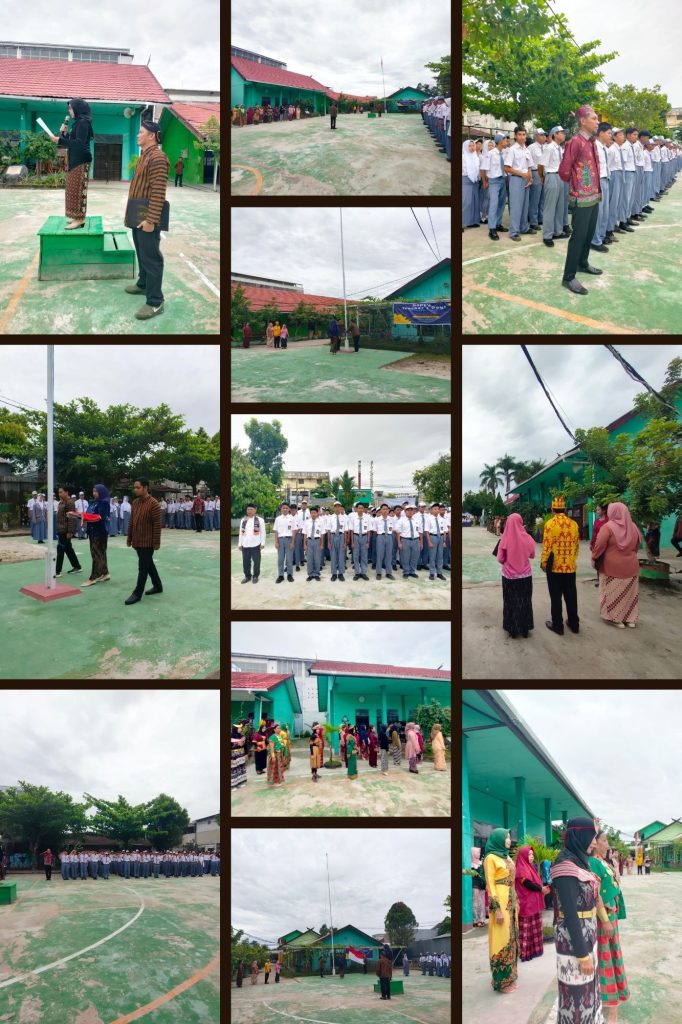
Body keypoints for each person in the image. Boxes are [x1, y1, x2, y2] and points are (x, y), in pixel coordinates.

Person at [550, 817, 602, 1021]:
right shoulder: (565, 865)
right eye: (592, 836)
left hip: (587, 935)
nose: (595, 842)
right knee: (576, 994)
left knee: (589, 989)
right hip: (574, 942)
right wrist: (582, 954)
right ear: (579, 835)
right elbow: (570, 913)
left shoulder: (580, 861)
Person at [124, 119, 169, 321]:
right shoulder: (145, 156)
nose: (137, 135)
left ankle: (155, 301)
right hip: (138, 215)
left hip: (147, 218)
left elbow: (159, 192)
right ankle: (143, 284)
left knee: (152, 258)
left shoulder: (158, 157)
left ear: (152, 136)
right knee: (142, 252)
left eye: (141, 132)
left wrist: (151, 220)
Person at [558, 106, 603, 294]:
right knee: (578, 236)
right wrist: (577, 186)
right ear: (583, 121)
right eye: (594, 118)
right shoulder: (575, 142)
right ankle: (568, 276)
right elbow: (564, 170)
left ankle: (583, 263)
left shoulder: (591, 141)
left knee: (589, 233)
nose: (597, 121)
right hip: (581, 197)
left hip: (594, 195)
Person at [589, 832, 630, 1022]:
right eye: (604, 840)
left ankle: (614, 994)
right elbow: (596, 894)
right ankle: (606, 998)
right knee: (605, 956)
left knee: (613, 954)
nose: (607, 844)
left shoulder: (603, 862)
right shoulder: (593, 862)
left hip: (611, 913)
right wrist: (605, 918)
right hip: (603, 916)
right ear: (595, 843)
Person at [590, 502, 641, 629]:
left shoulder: (608, 527)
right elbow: (636, 547)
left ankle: (615, 619)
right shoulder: (633, 527)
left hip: (611, 568)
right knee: (629, 594)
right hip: (631, 567)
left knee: (612, 593)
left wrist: (594, 558)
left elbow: (599, 546)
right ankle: (630, 619)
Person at [47, 99, 93, 229]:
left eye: (71, 108)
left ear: (78, 109)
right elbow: (70, 143)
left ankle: (80, 218)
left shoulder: (83, 123)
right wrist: (64, 134)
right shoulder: (77, 123)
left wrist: (60, 139)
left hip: (81, 160)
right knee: (72, 189)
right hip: (75, 159)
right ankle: (75, 216)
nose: (69, 111)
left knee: (78, 189)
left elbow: (79, 144)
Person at [483, 828, 519, 993]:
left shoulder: (507, 857)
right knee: (501, 939)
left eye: (510, 837)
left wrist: (516, 900)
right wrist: (496, 909)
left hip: (511, 903)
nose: (509, 840)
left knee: (511, 938)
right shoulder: (490, 858)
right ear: (497, 839)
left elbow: (512, 881)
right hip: (501, 903)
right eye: (506, 837)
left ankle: (510, 976)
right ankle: (500, 982)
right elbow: (490, 885)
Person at [541, 495, 580, 636]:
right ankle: (574, 624)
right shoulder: (574, 524)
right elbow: (576, 546)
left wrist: (544, 562)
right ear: (564, 508)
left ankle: (558, 625)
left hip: (554, 567)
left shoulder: (550, 524)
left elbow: (547, 546)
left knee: (556, 597)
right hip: (570, 566)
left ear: (552, 509)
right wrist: (571, 560)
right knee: (571, 596)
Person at [496, 512, 536, 639]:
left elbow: (500, 559)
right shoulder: (528, 538)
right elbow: (532, 555)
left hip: (509, 576)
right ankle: (525, 629)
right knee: (525, 601)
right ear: (521, 522)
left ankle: (512, 629)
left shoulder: (505, 539)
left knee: (510, 601)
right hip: (525, 575)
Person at [124, 476, 162, 605]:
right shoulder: (135, 503)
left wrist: (156, 543)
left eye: (138, 487)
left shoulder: (154, 504)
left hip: (148, 542)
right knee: (148, 564)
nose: (135, 490)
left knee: (143, 568)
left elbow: (157, 525)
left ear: (146, 488)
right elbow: (132, 522)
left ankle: (137, 593)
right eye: (134, 487)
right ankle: (158, 586)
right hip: (137, 541)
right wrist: (129, 538)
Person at [514, 846, 548, 962]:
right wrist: (541, 889)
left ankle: (535, 950)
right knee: (527, 929)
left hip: (533, 903)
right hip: (526, 903)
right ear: (523, 856)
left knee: (535, 927)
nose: (532, 856)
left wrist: (542, 889)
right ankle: (526, 953)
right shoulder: (521, 868)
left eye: (532, 854)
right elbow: (527, 884)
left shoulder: (530, 867)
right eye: (529, 854)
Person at [504, 127, 533, 241]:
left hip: (526, 179)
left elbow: (529, 166)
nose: (522, 137)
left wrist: (529, 177)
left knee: (525, 206)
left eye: (524, 134)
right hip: (516, 179)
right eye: (520, 134)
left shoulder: (526, 149)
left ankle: (524, 227)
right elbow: (506, 168)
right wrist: (522, 174)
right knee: (516, 206)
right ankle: (513, 232)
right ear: (515, 136)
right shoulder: (512, 150)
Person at [590, 123, 613, 254]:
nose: (611, 135)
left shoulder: (604, 147)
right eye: (609, 133)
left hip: (606, 179)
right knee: (599, 213)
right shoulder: (594, 147)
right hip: (598, 181)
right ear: (601, 133)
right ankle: (595, 240)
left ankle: (601, 236)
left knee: (605, 210)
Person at [54, 486, 83, 577]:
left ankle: (57, 571)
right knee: (68, 549)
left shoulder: (70, 503)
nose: (60, 494)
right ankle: (77, 566)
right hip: (61, 529)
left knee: (60, 549)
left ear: (67, 492)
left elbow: (71, 519)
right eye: (59, 492)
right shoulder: (60, 503)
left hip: (66, 530)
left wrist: (70, 532)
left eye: (61, 492)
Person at [239, 503, 265, 584]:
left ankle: (255, 576)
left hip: (256, 544)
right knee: (245, 562)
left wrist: (262, 543)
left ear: (255, 510)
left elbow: (263, 532)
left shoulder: (260, 520)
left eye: (251, 509)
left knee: (256, 562)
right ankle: (247, 576)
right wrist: (240, 544)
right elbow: (241, 533)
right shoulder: (243, 520)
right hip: (245, 544)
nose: (249, 511)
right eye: (248, 509)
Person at [527, 128, 547, 230]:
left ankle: (540, 217)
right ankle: (533, 221)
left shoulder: (546, 147)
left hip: (544, 174)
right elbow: (528, 163)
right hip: (535, 173)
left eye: (544, 135)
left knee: (542, 198)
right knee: (535, 198)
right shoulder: (531, 148)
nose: (544, 136)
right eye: (541, 135)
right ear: (536, 136)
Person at [274, 502, 296, 583]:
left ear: (289, 509)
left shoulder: (292, 519)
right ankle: (280, 575)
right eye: (283, 508)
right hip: (280, 540)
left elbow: (294, 531)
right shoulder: (278, 519)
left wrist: (293, 542)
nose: (285, 509)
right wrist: (276, 542)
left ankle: (290, 575)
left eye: (286, 508)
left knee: (289, 559)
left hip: (289, 540)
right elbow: (276, 531)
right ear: (281, 509)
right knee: (280, 559)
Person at [462, 141, 481, 228]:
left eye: (473, 145)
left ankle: (471, 222)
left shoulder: (476, 157)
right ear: (466, 147)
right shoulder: (463, 157)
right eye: (470, 146)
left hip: (475, 181)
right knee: (466, 202)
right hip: (466, 180)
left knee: (474, 202)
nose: (472, 147)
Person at [590, 503, 609, 585]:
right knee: (597, 563)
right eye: (596, 510)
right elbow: (594, 533)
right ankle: (600, 579)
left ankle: (606, 580)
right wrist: (591, 543)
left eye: (598, 510)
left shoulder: (608, 521)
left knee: (605, 563)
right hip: (596, 545)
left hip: (605, 545)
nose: (597, 511)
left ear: (604, 510)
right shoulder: (596, 521)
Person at [231, 724, 247, 790]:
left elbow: (245, 745)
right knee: (234, 769)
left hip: (241, 754)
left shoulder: (242, 736)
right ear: (235, 729)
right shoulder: (231, 736)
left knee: (241, 768)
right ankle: (233, 785)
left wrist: (246, 754)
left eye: (241, 728)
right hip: (233, 755)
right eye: (239, 728)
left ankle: (240, 782)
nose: (241, 729)